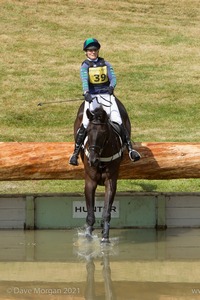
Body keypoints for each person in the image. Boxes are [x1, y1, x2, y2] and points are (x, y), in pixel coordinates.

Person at [69, 38, 141, 166]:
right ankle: (75, 153)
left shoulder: (106, 63)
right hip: (93, 97)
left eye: (95, 49)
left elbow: (113, 78)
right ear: (86, 52)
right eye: (90, 50)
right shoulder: (85, 66)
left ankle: (130, 149)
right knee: (85, 123)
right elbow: (85, 80)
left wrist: (112, 87)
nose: (93, 52)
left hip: (107, 96)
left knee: (118, 120)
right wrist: (86, 93)